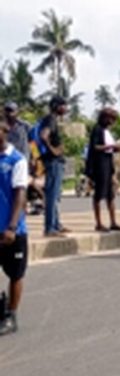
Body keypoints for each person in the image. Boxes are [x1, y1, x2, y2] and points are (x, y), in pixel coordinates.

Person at [0, 122, 29, 336]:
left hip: (11, 230)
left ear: (4, 132)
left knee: (15, 274)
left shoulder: (16, 160)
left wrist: (11, 226)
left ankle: (11, 314)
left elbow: (20, 194)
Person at [85, 108, 120, 233]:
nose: (112, 122)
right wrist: (111, 146)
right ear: (104, 118)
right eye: (111, 119)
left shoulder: (107, 131)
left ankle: (113, 221)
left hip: (108, 162)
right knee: (99, 194)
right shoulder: (97, 129)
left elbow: (107, 148)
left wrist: (115, 149)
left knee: (110, 194)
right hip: (99, 164)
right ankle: (98, 223)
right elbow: (95, 146)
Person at [39, 96, 71, 236]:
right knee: (52, 195)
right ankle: (50, 228)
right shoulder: (51, 119)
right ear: (57, 106)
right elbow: (43, 136)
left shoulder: (51, 119)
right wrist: (53, 150)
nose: (66, 109)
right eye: (64, 106)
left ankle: (56, 224)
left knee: (55, 194)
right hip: (53, 162)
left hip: (54, 161)